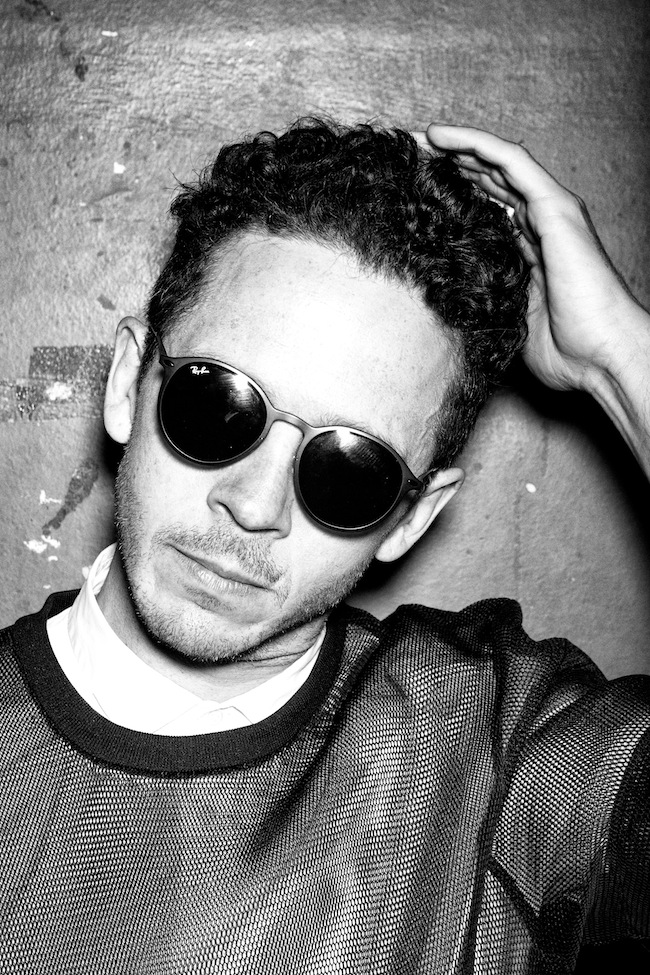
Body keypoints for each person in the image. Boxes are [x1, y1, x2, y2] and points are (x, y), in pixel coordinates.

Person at [0, 118, 648, 973]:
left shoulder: (490, 751)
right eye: (217, 406)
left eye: (349, 470)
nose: (253, 505)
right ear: (127, 380)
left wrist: (620, 358)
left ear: (413, 516)